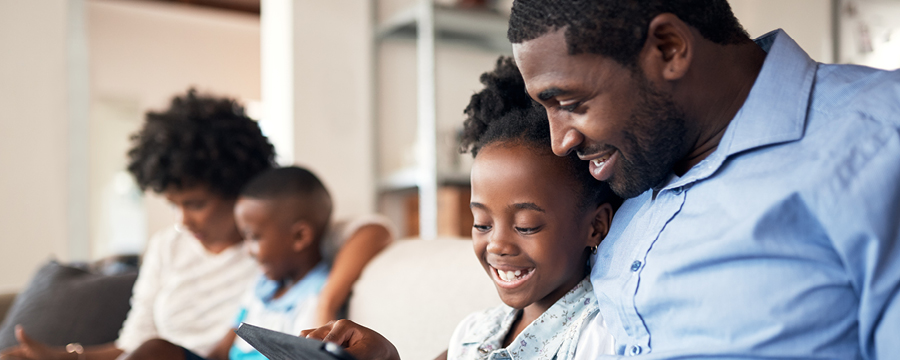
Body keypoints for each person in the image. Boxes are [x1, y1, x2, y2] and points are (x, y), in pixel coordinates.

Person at [506, 0, 900, 359]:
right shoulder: (629, 171)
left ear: (669, 48)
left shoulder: (878, 137)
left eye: (573, 105)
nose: (560, 142)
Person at [0, 89, 393, 360]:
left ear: (237, 189)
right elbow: (137, 344)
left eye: (196, 204)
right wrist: (71, 355)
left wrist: (325, 302)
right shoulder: (168, 247)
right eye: (174, 205)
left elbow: (372, 229)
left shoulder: (277, 248)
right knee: (155, 348)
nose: (183, 221)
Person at [302, 57, 622, 360]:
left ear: (595, 225)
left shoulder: (600, 337)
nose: (496, 244)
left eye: (525, 226)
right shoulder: (474, 332)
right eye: (482, 223)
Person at [126, 166, 367, 360]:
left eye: (253, 238)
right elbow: (223, 350)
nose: (248, 250)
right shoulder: (261, 287)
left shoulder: (314, 297)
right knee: (156, 350)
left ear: (300, 236)